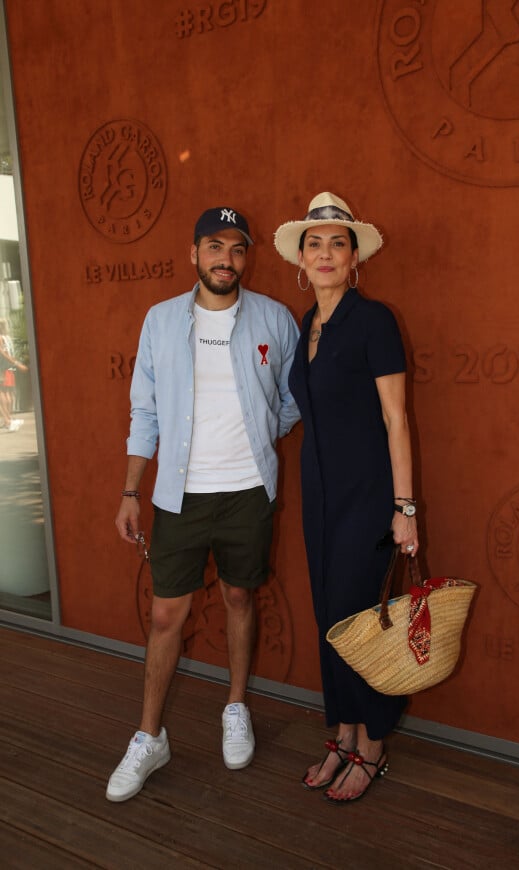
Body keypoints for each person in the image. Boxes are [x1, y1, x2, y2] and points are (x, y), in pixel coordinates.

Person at [107, 206, 300, 802]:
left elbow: (292, 401)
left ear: (246, 257)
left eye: (237, 249)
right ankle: (148, 737)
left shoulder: (274, 318)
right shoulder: (161, 321)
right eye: (214, 247)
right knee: (167, 615)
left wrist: (253, 442)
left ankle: (235, 706)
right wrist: (131, 489)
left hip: (247, 492)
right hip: (179, 495)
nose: (226, 259)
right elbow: (145, 412)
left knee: (240, 595)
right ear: (194, 254)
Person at [274, 192, 418, 804]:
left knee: (363, 619)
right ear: (300, 261)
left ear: (354, 256)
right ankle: (343, 731)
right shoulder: (307, 325)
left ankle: (374, 743)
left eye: (337, 242)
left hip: (367, 495)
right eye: (315, 243)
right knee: (330, 617)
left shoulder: (374, 320)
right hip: (319, 491)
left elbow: (396, 420)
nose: (325, 253)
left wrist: (404, 508)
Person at [0, 317, 26, 432]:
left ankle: (8, 421)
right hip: (7, 366)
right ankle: (9, 419)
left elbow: (2, 352)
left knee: (3, 393)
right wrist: (16, 363)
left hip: (3, 366)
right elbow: (6, 352)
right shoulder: (6, 338)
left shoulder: (1, 338)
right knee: (7, 392)